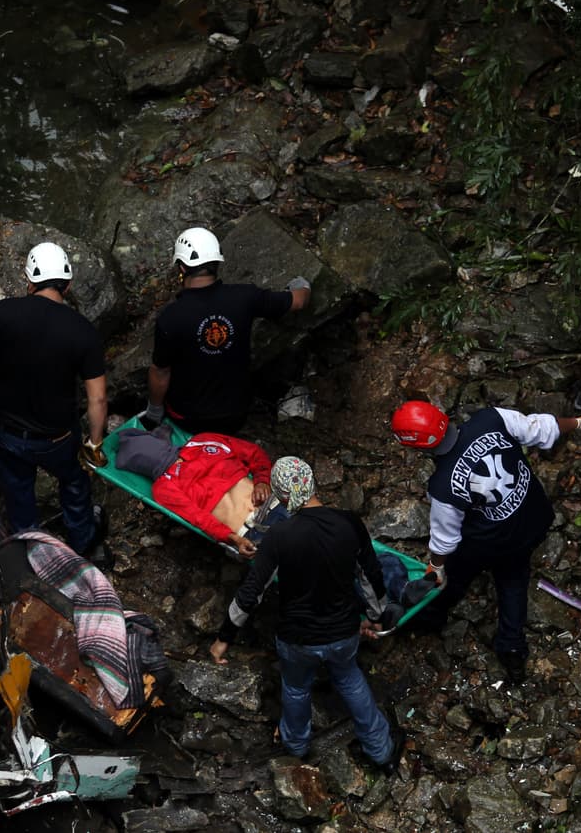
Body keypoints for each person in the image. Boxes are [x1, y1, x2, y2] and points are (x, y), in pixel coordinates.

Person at [210, 456, 398, 774]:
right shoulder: (349, 523)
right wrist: (376, 617)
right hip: (343, 633)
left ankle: (296, 745)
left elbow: (250, 594)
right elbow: (371, 576)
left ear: (282, 498)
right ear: (312, 483)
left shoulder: (279, 537)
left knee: (296, 688)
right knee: (350, 679)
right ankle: (380, 751)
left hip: (297, 639)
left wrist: (224, 638)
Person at [390, 400, 581, 683]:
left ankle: (432, 615)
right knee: (515, 577)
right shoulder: (490, 418)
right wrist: (579, 421)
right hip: (534, 515)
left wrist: (436, 567)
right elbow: (542, 428)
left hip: (495, 541)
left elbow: (445, 540)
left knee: (462, 573)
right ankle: (512, 649)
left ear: (419, 447)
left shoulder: (443, 486)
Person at [0, 242, 108, 560]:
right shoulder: (83, 331)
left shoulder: (5, 313)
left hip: (8, 433)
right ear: (68, 284)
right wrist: (94, 444)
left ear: (29, 282)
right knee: (75, 484)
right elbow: (98, 398)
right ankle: (85, 545)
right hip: (58, 437)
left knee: (19, 492)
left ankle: (30, 551)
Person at [145, 227, 311, 434]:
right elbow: (298, 301)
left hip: (187, 419)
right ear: (217, 262)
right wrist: (302, 284)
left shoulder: (171, 317)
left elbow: (160, 372)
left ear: (182, 268)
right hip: (235, 415)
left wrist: (154, 410)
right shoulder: (245, 297)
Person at [118, 425, 272, 558]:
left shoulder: (202, 440)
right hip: (250, 533)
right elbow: (199, 519)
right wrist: (234, 539)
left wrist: (263, 480)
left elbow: (253, 453)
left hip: (272, 504)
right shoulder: (163, 487)